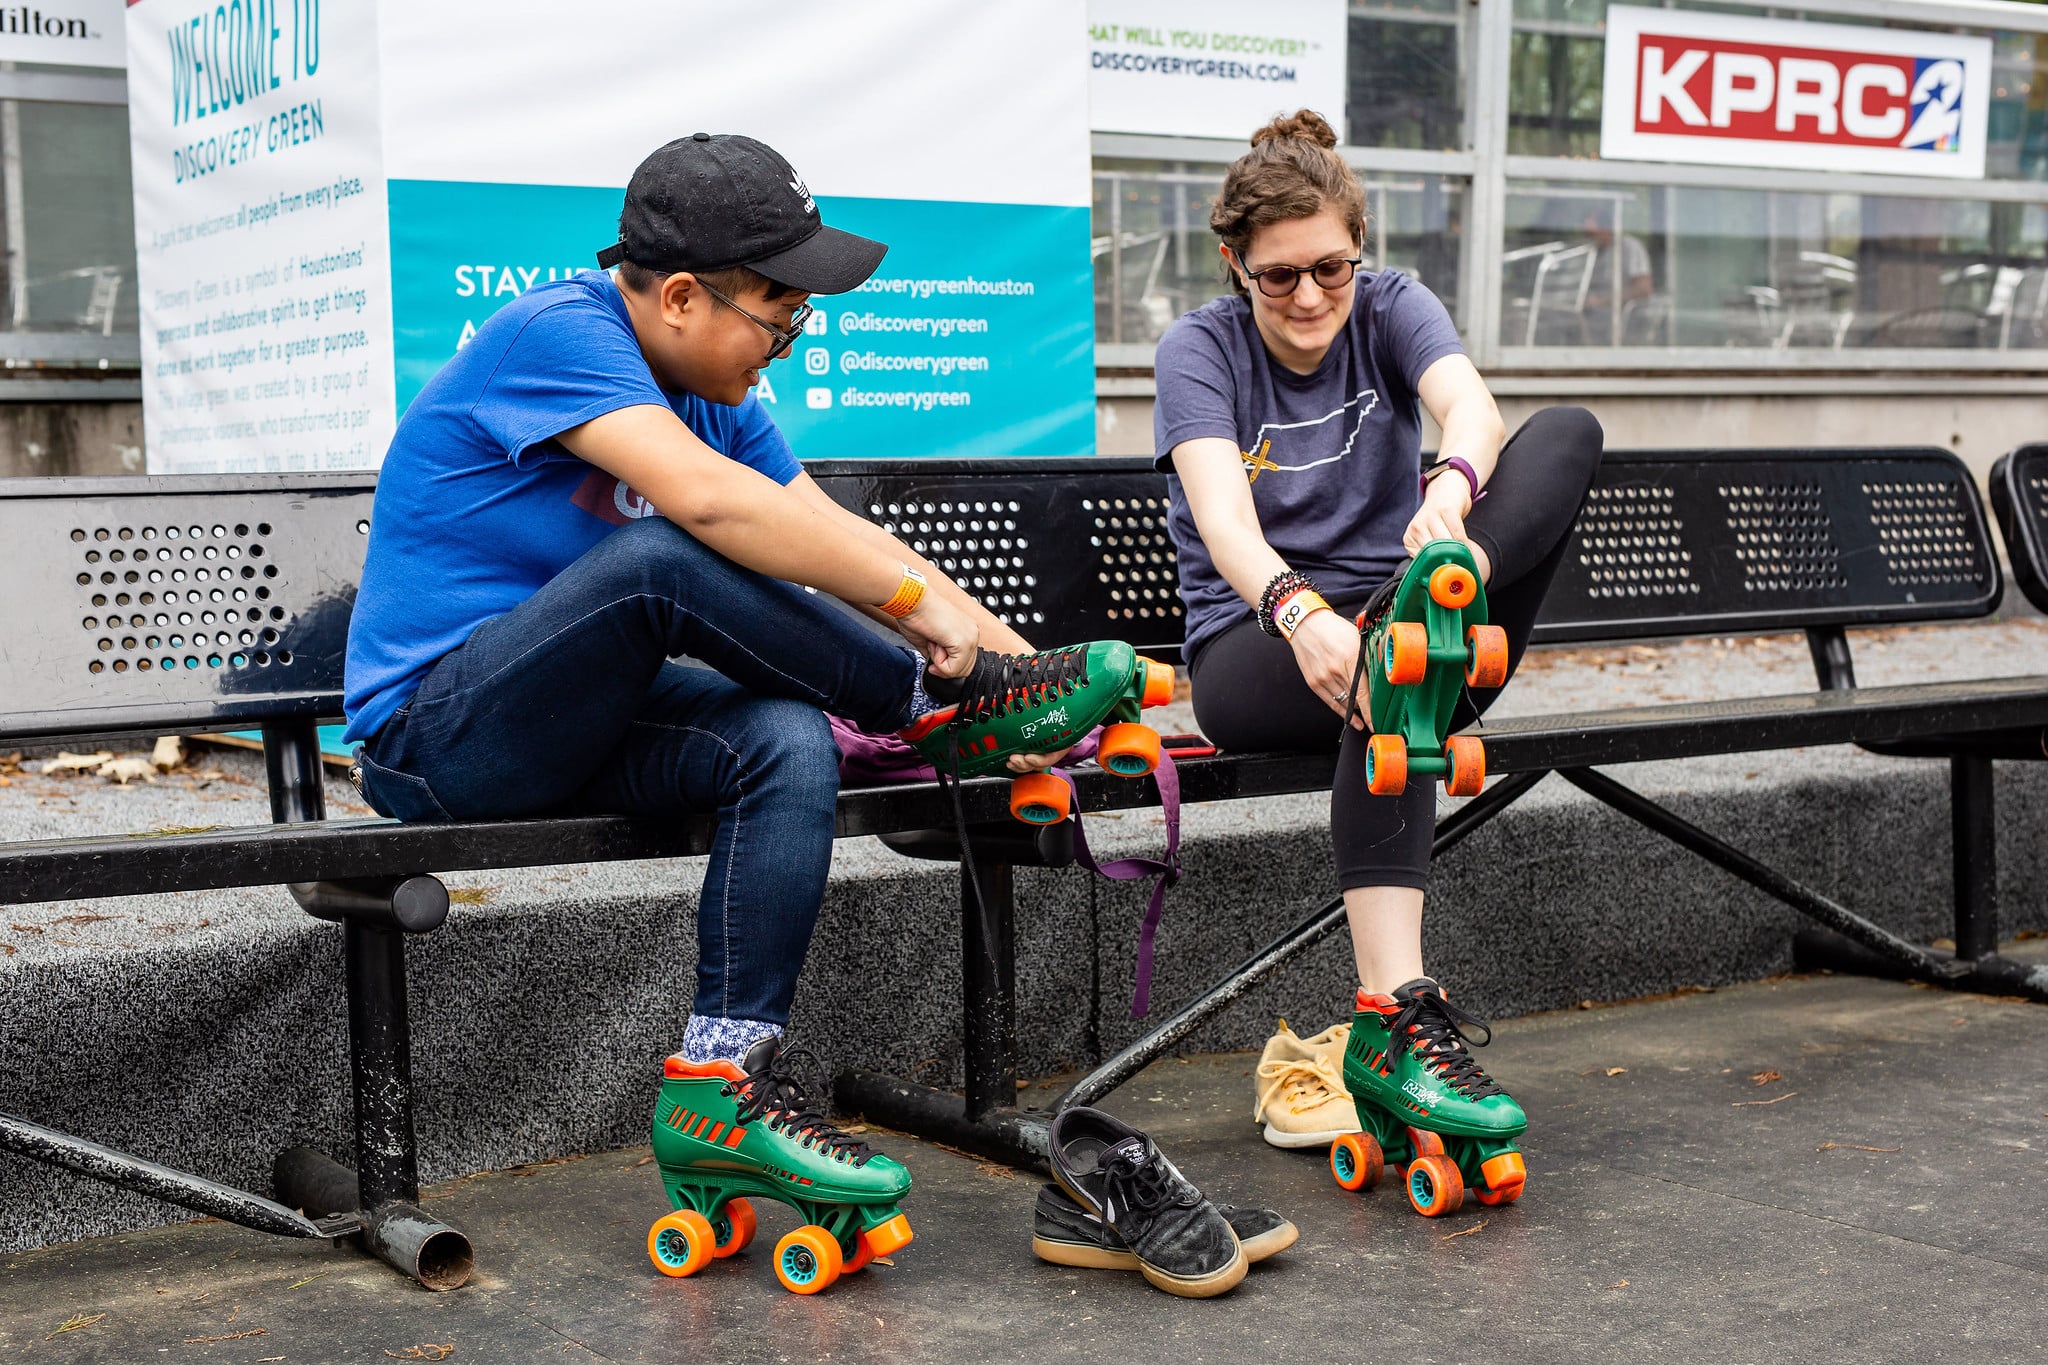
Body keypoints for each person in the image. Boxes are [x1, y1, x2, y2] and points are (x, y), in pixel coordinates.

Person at [340, 134, 1085, 1186]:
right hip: (437, 737)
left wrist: (1025, 670)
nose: (782, 345)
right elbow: (709, 507)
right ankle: (926, 708)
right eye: (776, 319)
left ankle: (718, 1087)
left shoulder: (709, 392)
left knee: (780, 740)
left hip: (581, 721)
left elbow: (836, 537)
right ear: (681, 297)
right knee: (660, 561)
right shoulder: (557, 334)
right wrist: (935, 662)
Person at [1151, 110, 1602, 1159]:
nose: (1308, 296)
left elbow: (1473, 412)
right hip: (1258, 643)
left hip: (1416, 619)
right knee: (1387, 671)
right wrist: (1299, 611)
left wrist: (1451, 494)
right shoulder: (1197, 348)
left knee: (1566, 432)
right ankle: (1395, 1016)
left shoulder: (1392, 306)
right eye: (1276, 276)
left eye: (1329, 267)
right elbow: (1223, 523)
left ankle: (1441, 594)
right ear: (1233, 263)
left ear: (1358, 249)